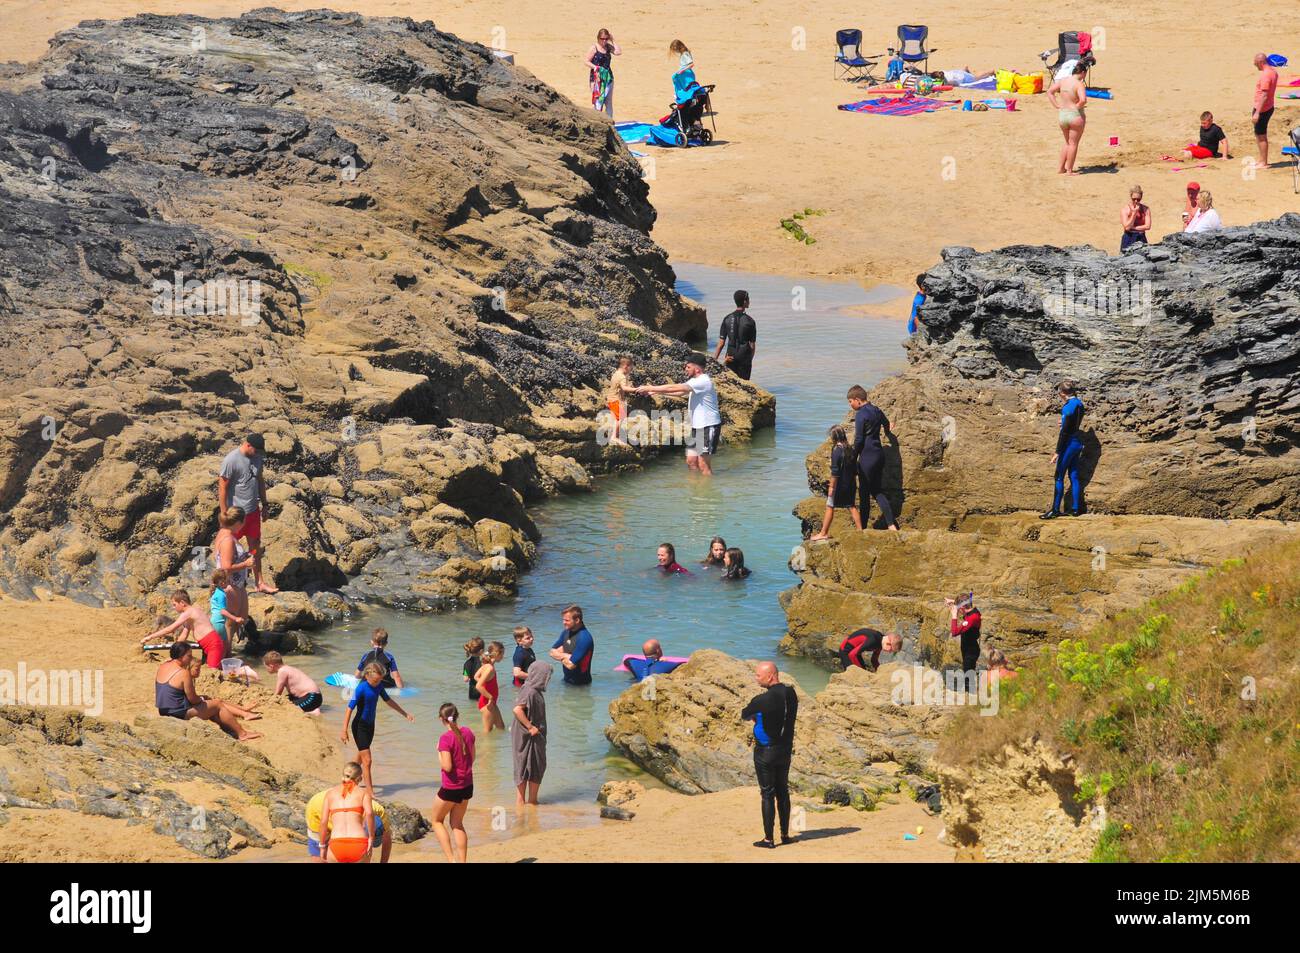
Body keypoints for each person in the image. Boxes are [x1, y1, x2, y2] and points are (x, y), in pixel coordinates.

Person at [741, 661, 798, 849]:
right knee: (783, 792)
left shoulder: (762, 700)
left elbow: (744, 713)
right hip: (785, 750)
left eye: (758, 675)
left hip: (766, 752)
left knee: (767, 793)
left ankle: (768, 839)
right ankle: (785, 835)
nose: (756, 678)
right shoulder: (791, 693)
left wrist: (756, 716)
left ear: (770, 676)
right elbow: (782, 714)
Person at [635, 353, 722, 476]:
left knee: (703, 464)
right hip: (697, 427)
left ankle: (707, 493)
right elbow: (681, 392)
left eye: (688, 367)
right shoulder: (694, 381)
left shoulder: (703, 381)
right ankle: (695, 492)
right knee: (691, 461)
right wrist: (653, 392)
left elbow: (674, 387)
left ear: (697, 368)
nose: (685, 369)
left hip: (708, 426)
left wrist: (650, 386)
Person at [153, 642, 262, 740]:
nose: (191, 659)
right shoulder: (183, 673)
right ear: (181, 656)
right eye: (189, 656)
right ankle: (242, 734)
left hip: (163, 710)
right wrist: (201, 699)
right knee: (217, 704)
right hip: (178, 713)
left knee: (209, 705)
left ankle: (229, 730)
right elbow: (193, 699)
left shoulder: (163, 666)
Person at [341, 662, 415, 793]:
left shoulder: (379, 686)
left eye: (380, 680)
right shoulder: (361, 688)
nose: (378, 683)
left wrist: (405, 713)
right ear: (367, 675)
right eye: (375, 680)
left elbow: (389, 701)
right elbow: (349, 708)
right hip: (360, 726)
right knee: (367, 760)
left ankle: (348, 779)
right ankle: (370, 792)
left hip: (370, 725)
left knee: (360, 757)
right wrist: (344, 730)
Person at [217, 434, 276, 594]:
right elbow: (222, 487)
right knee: (229, 551)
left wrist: (265, 504)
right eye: (256, 450)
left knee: (255, 548)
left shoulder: (257, 458)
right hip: (235, 516)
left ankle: (259, 582)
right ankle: (224, 586)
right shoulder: (231, 460)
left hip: (253, 513)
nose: (258, 454)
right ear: (248, 445)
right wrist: (224, 515)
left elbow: (260, 481)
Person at [847, 385, 900, 530]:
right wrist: (889, 430)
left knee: (864, 496)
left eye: (850, 401)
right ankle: (891, 525)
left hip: (867, 458)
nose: (850, 405)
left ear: (857, 400)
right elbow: (886, 424)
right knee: (877, 491)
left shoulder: (861, 414)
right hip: (879, 455)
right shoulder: (876, 410)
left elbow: (859, 440)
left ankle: (863, 528)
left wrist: (853, 458)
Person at [143, 589, 227, 671]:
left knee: (213, 671)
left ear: (182, 603)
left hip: (213, 644)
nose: (173, 607)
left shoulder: (188, 612)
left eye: (174, 605)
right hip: (210, 644)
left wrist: (150, 637)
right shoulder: (192, 613)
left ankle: (239, 671)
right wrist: (174, 655)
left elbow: (170, 629)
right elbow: (183, 635)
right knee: (212, 668)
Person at [433, 702, 475, 863]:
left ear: (441, 719)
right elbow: (473, 758)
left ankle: (452, 860)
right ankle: (462, 861)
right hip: (467, 785)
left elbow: (447, 766)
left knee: (436, 821)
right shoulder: (469, 732)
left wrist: (438, 752)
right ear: (457, 715)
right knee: (457, 823)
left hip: (451, 788)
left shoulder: (445, 739)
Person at [306, 786, 391, 863]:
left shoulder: (379, 811)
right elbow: (323, 822)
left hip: (337, 817)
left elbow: (387, 839)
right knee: (319, 855)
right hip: (316, 809)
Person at [1041, 381, 1086, 519]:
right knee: (1073, 475)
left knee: (1059, 476)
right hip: (1078, 442)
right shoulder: (1079, 403)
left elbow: (1064, 433)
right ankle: (1076, 509)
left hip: (1068, 444)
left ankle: (1055, 510)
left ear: (1062, 394)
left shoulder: (1067, 407)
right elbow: (1075, 422)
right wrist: (1064, 422)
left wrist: (1057, 452)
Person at [810, 424, 861, 540]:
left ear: (834, 437)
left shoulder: (837, 450)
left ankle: (823, 533)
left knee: (829, 506)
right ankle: (860, 531)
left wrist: (831, 488)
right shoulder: (850, 448)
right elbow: (854, 470)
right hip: (851, 483)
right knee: (851, 506)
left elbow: (835, 472)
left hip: (839, 485)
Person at [318, 762, 374, 864]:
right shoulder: (364, 793)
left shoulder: (330, 794)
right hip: (358, 843)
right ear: (359, 779)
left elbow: (323, 822)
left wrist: (322, 846)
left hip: (337, 843)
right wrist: (371, 837)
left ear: (342, 775)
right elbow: (369, 814)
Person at [512, 663, 551, 805]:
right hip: (529, 735)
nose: (548, 679)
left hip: (526, 734)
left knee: (524, 764)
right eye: (547, 676)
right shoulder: (531, 692)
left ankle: (524, 802)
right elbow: (517, 710)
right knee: (533, 764)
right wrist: (530, 727)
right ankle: (530, 801)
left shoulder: (529, 689)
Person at [212, 507, 254, 639]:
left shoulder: (223, 533)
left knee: (239, 619)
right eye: (244, 522)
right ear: (238, 523)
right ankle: (227, 656)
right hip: (230, 584)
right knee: (230, 623)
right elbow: (225, 568)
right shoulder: (228, 540)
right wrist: (246, 564)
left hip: (236, 584)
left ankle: (229, 653)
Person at [1047, 61, 1088, 175]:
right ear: (1083, 73)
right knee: (1073, 144)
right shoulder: (1079, 84)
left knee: (1067, 143)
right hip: (1074, 116)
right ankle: (1069, 170)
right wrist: (1077, 107)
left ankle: (1061, 168)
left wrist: (1056, 105)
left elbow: (1050, 92)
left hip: (1063, 114)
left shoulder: (1063, 81)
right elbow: (1083, 100)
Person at [713, 291, 757, 381]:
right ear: (744, 302)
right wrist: (749, 360)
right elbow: (752, 345)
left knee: (732, 382)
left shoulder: (727, 318)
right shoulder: (750, 321)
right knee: (744, 384)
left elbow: (721, 343)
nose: (749, 301)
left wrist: (714, 360)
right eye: (748, 299)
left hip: (730, 356)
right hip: (744, 357)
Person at [264, 650, 323, 715]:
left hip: (311, 698)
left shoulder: (282, 671)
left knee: (289, 707)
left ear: (271, 666)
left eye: (266, 667)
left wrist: (271, 701)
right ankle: (312, 709)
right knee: (285, 699)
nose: (266, 669)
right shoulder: (287, 668)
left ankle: (312, 712)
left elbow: (278, 692)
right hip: (314, 697)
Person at [549, 604, 594, 685]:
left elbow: (570, 665)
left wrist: (560, 655)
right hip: (566, 680)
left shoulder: (584, 638)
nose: (563, 623)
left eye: (567, 620)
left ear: (577, 620)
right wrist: (567, 656)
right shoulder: (566, 632)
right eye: (563, 620)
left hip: (581, 686)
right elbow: (552, 652)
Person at [585, 28, 621, 118]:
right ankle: (597, 121)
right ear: (598, 38)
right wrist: (595, 67)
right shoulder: (594, 48)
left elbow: (618, 52)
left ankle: (609, 122)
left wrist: (613, 40)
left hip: (608, 78)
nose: (604, 41)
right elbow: (586, 61)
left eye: (606, 39)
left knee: (608, 102)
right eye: (602, 39)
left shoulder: (608, 47)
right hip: (596, 79)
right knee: (597, 101)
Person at [1252, 52, 1279, 168]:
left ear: (1261, 62)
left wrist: (1257, 112)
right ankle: (1262, 160)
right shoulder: (1273, 71)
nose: (1255, 65)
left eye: (1256, 63)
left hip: (1263, 109)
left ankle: (1264, 162)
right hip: (1268, 106)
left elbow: (1264, 95)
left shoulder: (1266, 75)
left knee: (1261, 135)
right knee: (1259, 134)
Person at [947, 593, 982, 681]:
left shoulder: (972, 618)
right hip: (968, 648)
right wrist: (953, 602)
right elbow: (965, 603)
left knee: (968, 678)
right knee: (967, 673)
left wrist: (954, 615)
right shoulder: (971, 610)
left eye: (959, 609)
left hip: (970, 652)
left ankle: (969, 692)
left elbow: (954, 632)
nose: (958, 611)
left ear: (962, 608)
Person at [474, 641, 506, 733]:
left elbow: (476, 676)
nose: (503, 657)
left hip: (491, 703)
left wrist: (485, 683)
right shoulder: (489, 668)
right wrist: (490, 697)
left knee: (501, 727)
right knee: (487, 732)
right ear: (496, 654)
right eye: (502, 654)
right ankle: (483, 747)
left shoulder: (487, 665)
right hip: (486, 704)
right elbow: (478, 686)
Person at [838, 628, 902, 672]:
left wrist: (879, 671)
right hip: (845, 651)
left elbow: (874, 660)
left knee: (863, 671)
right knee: (854, 673)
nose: (889, 652)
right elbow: (852, 654)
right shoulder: (873, 641)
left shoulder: (880, 644)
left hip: (856, 653)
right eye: (891, 650)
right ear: (888, 644)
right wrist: (859, 670)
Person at [208, 569, 242, 652]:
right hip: (219, 622)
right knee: (223, 645)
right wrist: (235, 618)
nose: (230, 582)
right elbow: (222, 611)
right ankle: (221, 662)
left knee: (219, 644)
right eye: (228, 580)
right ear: (222, 582)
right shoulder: (221, 594)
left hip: (215, 620)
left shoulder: (216, 592)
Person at [605, 356, 635, 446]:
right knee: (620, 418)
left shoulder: (616, 373)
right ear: (626, 366)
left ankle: (614, 435)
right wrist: (636, 389)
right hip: (615, 400)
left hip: (610, 399)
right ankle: (613, 437)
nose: (631, 371)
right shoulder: (622, 376)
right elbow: (624, 388)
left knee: (617, 418)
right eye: (631, 368)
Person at [1120, 185, 1152, 251]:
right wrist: (1134, 213)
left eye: (1138, 199)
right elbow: (1127, 227)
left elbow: (1148, 226)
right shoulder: (1125, 209)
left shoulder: (1146, 209)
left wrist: (1133, 228)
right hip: (1129, 237)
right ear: (1131, 197)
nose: (1136, 201)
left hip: (1141, 237)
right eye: (1134, 199)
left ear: (1141, 197)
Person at [462, 636, 484, 704]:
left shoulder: (466, 663)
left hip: (472, 691)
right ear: (481, 651)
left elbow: (465, 679)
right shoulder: (483, 662)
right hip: (482, 690)